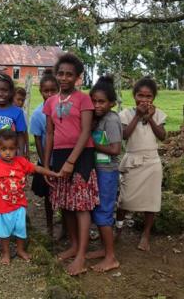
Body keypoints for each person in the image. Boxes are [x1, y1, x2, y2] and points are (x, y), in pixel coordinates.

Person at [43, 53, 98, 276]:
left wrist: (71, 162)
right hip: (58, 154)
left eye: (69, 74)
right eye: (61, 73)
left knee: (82, 206)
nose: (64, 78)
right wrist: (47, 165)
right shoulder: (50, 102)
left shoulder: (83, 99)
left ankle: (81, 255)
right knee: (65, 203)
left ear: (77, 77)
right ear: (56, 75)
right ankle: (73, 245)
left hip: (81, 154)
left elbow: (85, 132)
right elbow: (49, 132)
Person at [0, 129, 59, 264]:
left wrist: (52, 173)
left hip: (19, 203)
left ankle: (20, 250)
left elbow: (37, 169)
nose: (7, 152)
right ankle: (6, 253)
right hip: (2, 205)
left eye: (11, 149)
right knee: (4, 231)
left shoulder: (21, 162)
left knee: (20, 228)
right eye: (3, 149)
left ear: (17, 149)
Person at [116, 76, 166, 252]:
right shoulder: (125, 114)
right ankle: (118, 229)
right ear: (134, 96)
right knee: (125, 199)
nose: (144, 100)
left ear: (153, 98)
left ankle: (146, 235)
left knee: (151, 201)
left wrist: (151, 118)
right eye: (140, 95)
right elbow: (124, 135)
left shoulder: (158, 114)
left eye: (148, 96)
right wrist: (137, 116)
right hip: (132, 161)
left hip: (152, 162)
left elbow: (162, 136)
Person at [85, 76, 122, 272]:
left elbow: (115, 149)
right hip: (98, 171)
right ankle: (103, 249)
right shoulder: (97, 119)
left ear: (112, 103)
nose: (97, 105)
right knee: (98, 210)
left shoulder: (112, 120)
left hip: (107, 172)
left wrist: (92, 144)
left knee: (104, 213)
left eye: (102, 102)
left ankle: (111, 257)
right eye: (94, 101)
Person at [29, 73, 59, 237]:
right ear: (40, 91)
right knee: (48, 196)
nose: (49, 94)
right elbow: (38, 139)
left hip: (64, 159)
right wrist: (44, 163)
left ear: (58, 90)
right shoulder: (37, 113)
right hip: (47, 161)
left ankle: (67, 227)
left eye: (53, 90)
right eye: (45, 91)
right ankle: (50, 225)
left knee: (63, 194)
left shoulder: (64, 109)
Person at [13, 86, 30, 156]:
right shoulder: (8, 112)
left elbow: (25, 132)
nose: (20, 102)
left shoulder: (24, 113)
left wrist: (27, 150)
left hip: (20, 149)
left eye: (23, 100)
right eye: (18, 99)